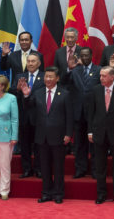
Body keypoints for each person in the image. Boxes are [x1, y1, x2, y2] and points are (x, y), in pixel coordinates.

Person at [21, 66, 73, 204]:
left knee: (58, 168)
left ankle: (58, 194)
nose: (48, 79)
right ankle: (46, 193)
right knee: (44, 167)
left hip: (59, 136)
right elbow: (28, 107)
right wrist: (26, 95)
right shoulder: (38, 93)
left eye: (51, 77)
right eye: (46, 76)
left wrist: (68, 134)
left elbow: (69, 116)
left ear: (57, 78)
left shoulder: (65, 94)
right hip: (41, 136)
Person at [87, 66, 114, 205]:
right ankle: (101, 195)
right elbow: (91, 113)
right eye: (100, 75)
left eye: (104, 76)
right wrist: (90, 131)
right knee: (100, 167)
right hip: (99, 133)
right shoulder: (95, 90)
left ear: (112, 77)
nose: (101, 78)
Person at [63, 46, 100, 178]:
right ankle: (80, 169)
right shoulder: (75, 71)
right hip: (78, 113)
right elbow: (64, 84)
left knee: (95, 144)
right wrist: (69, 69)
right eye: (82, 56)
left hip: (94, 113)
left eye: (86, 55)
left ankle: (95, 171)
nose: (84, 58)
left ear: (91, 56)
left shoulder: (98, 70)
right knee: (79, 144)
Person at [12, 51, 44, 178]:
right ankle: (26, 169)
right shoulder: (20, 76)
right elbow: (12, 93)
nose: (30, 63)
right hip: (23, 116)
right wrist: (18, 89)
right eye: (28, 61)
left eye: (33, 61)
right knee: (24, 145)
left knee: (39, 145)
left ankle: (39, 169)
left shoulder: (44, 76)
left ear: (39, 63)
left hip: (39, 116)